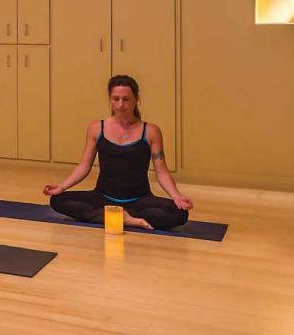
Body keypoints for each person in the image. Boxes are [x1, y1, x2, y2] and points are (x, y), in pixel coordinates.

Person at [44, 75, 192, 230]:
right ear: (110, 99)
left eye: (126, 99)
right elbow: (84, 166)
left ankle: (117, 216)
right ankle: (127, 219)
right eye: (116, 99)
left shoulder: (150, 131)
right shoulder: (96, 128)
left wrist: (176, 196)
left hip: (138, 199)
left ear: (136, 99)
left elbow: (161, 171)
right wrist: (62, 186)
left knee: (180, 213)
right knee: (57, 200)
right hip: (103, 196)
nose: (120, 104)